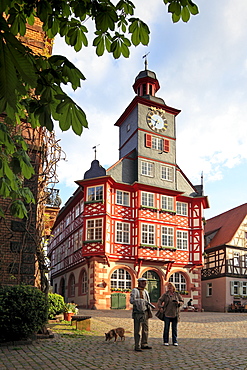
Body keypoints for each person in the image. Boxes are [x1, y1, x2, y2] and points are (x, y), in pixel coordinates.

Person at [130, 277, 153, 352]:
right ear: (139, 282)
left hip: (145, 311)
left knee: (145, 329)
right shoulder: (135, 290)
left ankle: (144, 344)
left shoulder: (145, 291)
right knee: (137, 329)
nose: (145, 283)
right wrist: (140, 301)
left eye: (145, 282)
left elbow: (148, 301)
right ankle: (137, 345)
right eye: (143, 282)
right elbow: (132, 301)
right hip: (138, 312)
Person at [157, 282, 184, 346]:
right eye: (168, 287)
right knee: (166, 328)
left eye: (170, 286)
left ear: (173, 287)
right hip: (167, 313)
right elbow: (160, 300)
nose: (169, 288)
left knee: (174, 328)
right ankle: (166, 341)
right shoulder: (165, 295)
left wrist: (178, 303)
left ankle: (175, 341)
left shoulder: (177, 294)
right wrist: (160, 307)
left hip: (175, 313)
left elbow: (182, 301)